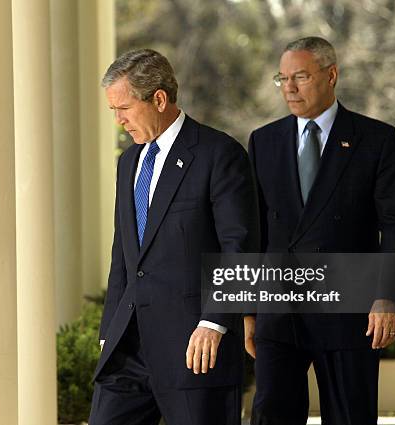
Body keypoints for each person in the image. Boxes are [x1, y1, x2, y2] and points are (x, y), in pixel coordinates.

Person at [245, 37, 395, 425]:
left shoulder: (377, 139)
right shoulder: (263, 140)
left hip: (349, 310)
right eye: (282, 78)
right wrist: (247, 311)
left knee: (350, 417)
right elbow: (252, 229)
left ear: (331, 75)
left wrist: (387, 298)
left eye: (300, 77)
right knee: (270, 415)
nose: (289, 88)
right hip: (279, 310)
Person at [89, 48, 259, 425]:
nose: (118, 121)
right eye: (113, 111)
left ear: (159, 99)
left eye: (124, 109)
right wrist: (108, 335)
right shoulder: (128, 162)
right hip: (128, 352)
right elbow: (125, 253)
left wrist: (214, 322)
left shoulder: (219, 155)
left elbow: (240, 248)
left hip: (196, 348)